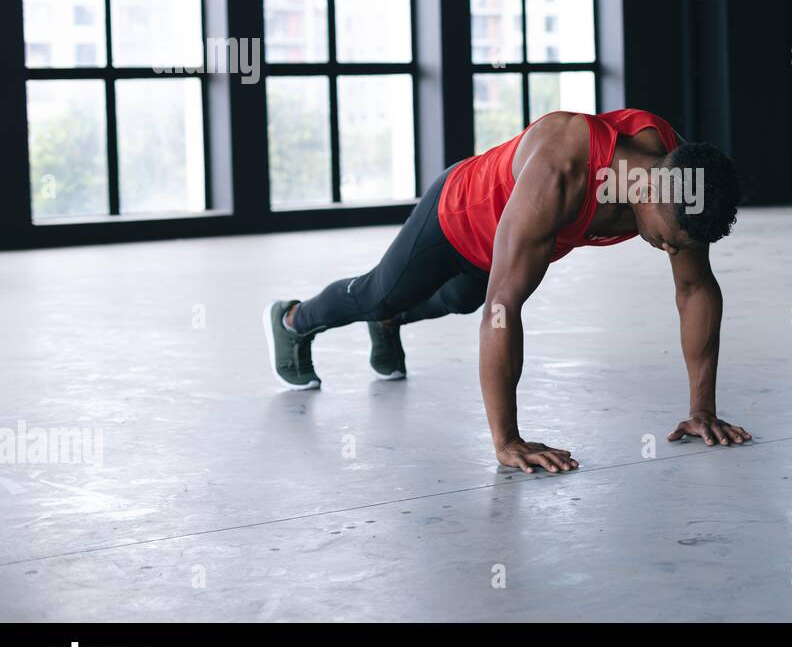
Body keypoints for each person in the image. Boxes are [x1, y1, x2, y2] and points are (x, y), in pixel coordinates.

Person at [263, 108, 750, 473]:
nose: (668, 248)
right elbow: (504, 308)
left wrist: (701, 410)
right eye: (666, 237)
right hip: (456, 217)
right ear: (643, 191)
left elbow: (695, 288)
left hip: (506, 244)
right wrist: (507, 441)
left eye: (678, 243)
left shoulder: (681, 177)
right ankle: (292, 320)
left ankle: (389, 322)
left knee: (457, 299)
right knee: (379, 293)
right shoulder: (562, 169)